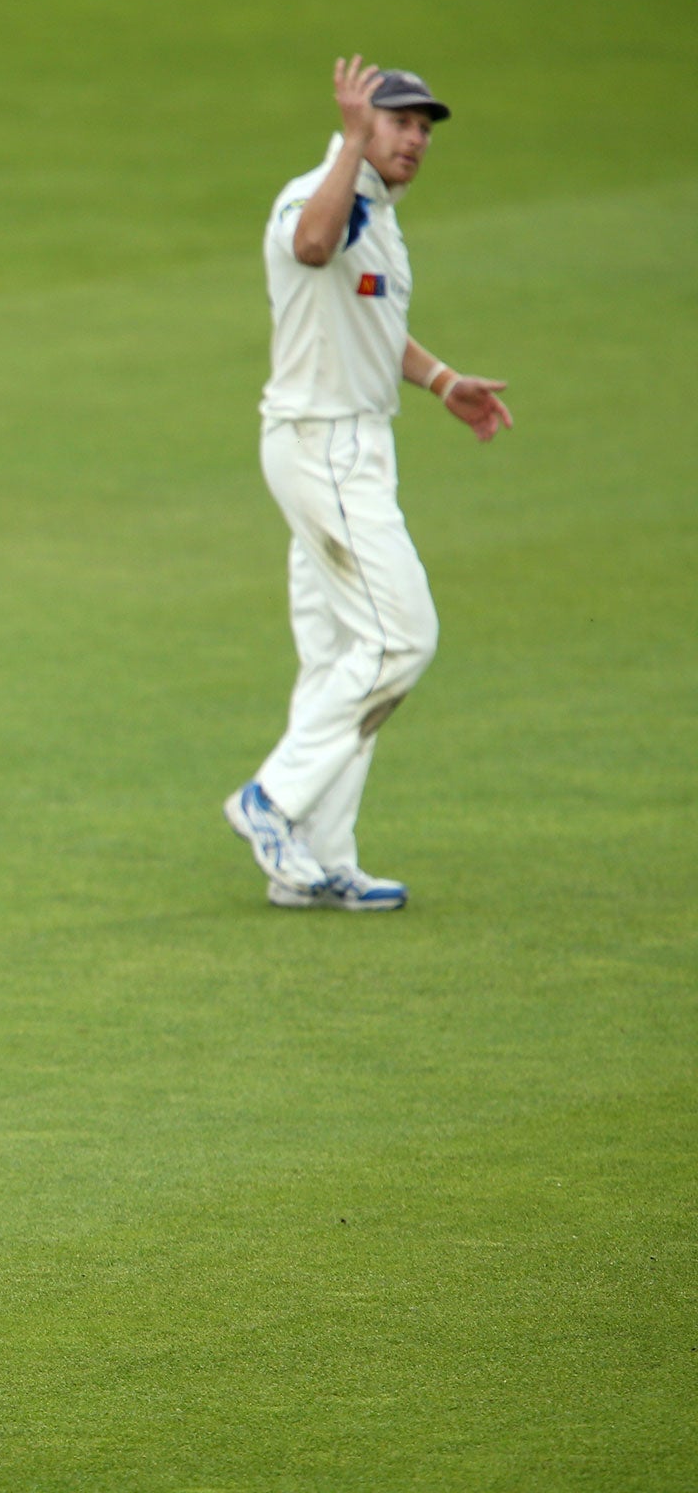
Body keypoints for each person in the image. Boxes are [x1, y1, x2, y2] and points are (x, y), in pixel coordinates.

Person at [223, 58, 512, 911]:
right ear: (361, 125)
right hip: (324, 450)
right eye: (400, 123)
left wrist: (442, 381)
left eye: (425, 128)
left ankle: (316, 859)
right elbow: (312, 245)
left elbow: (374, 320)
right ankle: (272, 800)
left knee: (337, 653)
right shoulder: (328, 195)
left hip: (352, 446)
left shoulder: (378, 214)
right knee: (400, 639)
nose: (416, 139)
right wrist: (350, 145)